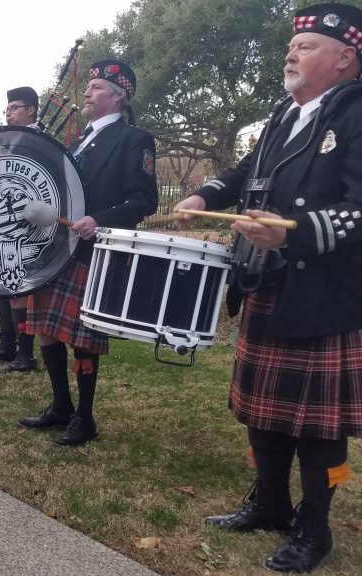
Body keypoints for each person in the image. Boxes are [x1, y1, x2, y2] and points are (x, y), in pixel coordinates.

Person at [175, 4, 362, 571]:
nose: (291, 53)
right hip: (267, 278)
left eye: (306, 46)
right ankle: (271, 504)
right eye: (291, 45)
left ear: (345, 58)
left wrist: (294, 231)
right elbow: (245, 172)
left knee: (319, 427)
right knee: (263, 408)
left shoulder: (356, 113)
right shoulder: (286, 113)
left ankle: (314, 529)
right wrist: (205, 194)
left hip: (323, 290)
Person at [18, 61, 157, 446]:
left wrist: (99, 219)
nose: (88, 92)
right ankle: (60, 406)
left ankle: (85, 417)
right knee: (47, 329)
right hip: (57, 247)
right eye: (89, 86)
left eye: (96, 87)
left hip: (93, 250)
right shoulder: (79, 141)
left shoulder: (134, 139)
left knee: (82, 338)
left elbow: (144, 199)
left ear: (119, 95)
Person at [0, 86, 41, 372]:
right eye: (7, 109)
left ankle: (25, 354)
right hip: (6, 224)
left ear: (31, 110)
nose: (8, 114)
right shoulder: (13, 143)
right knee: (5, 283)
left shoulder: (37, 143)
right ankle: (7, 346)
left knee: (19, 287)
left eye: (14, 108)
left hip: (27, 226)